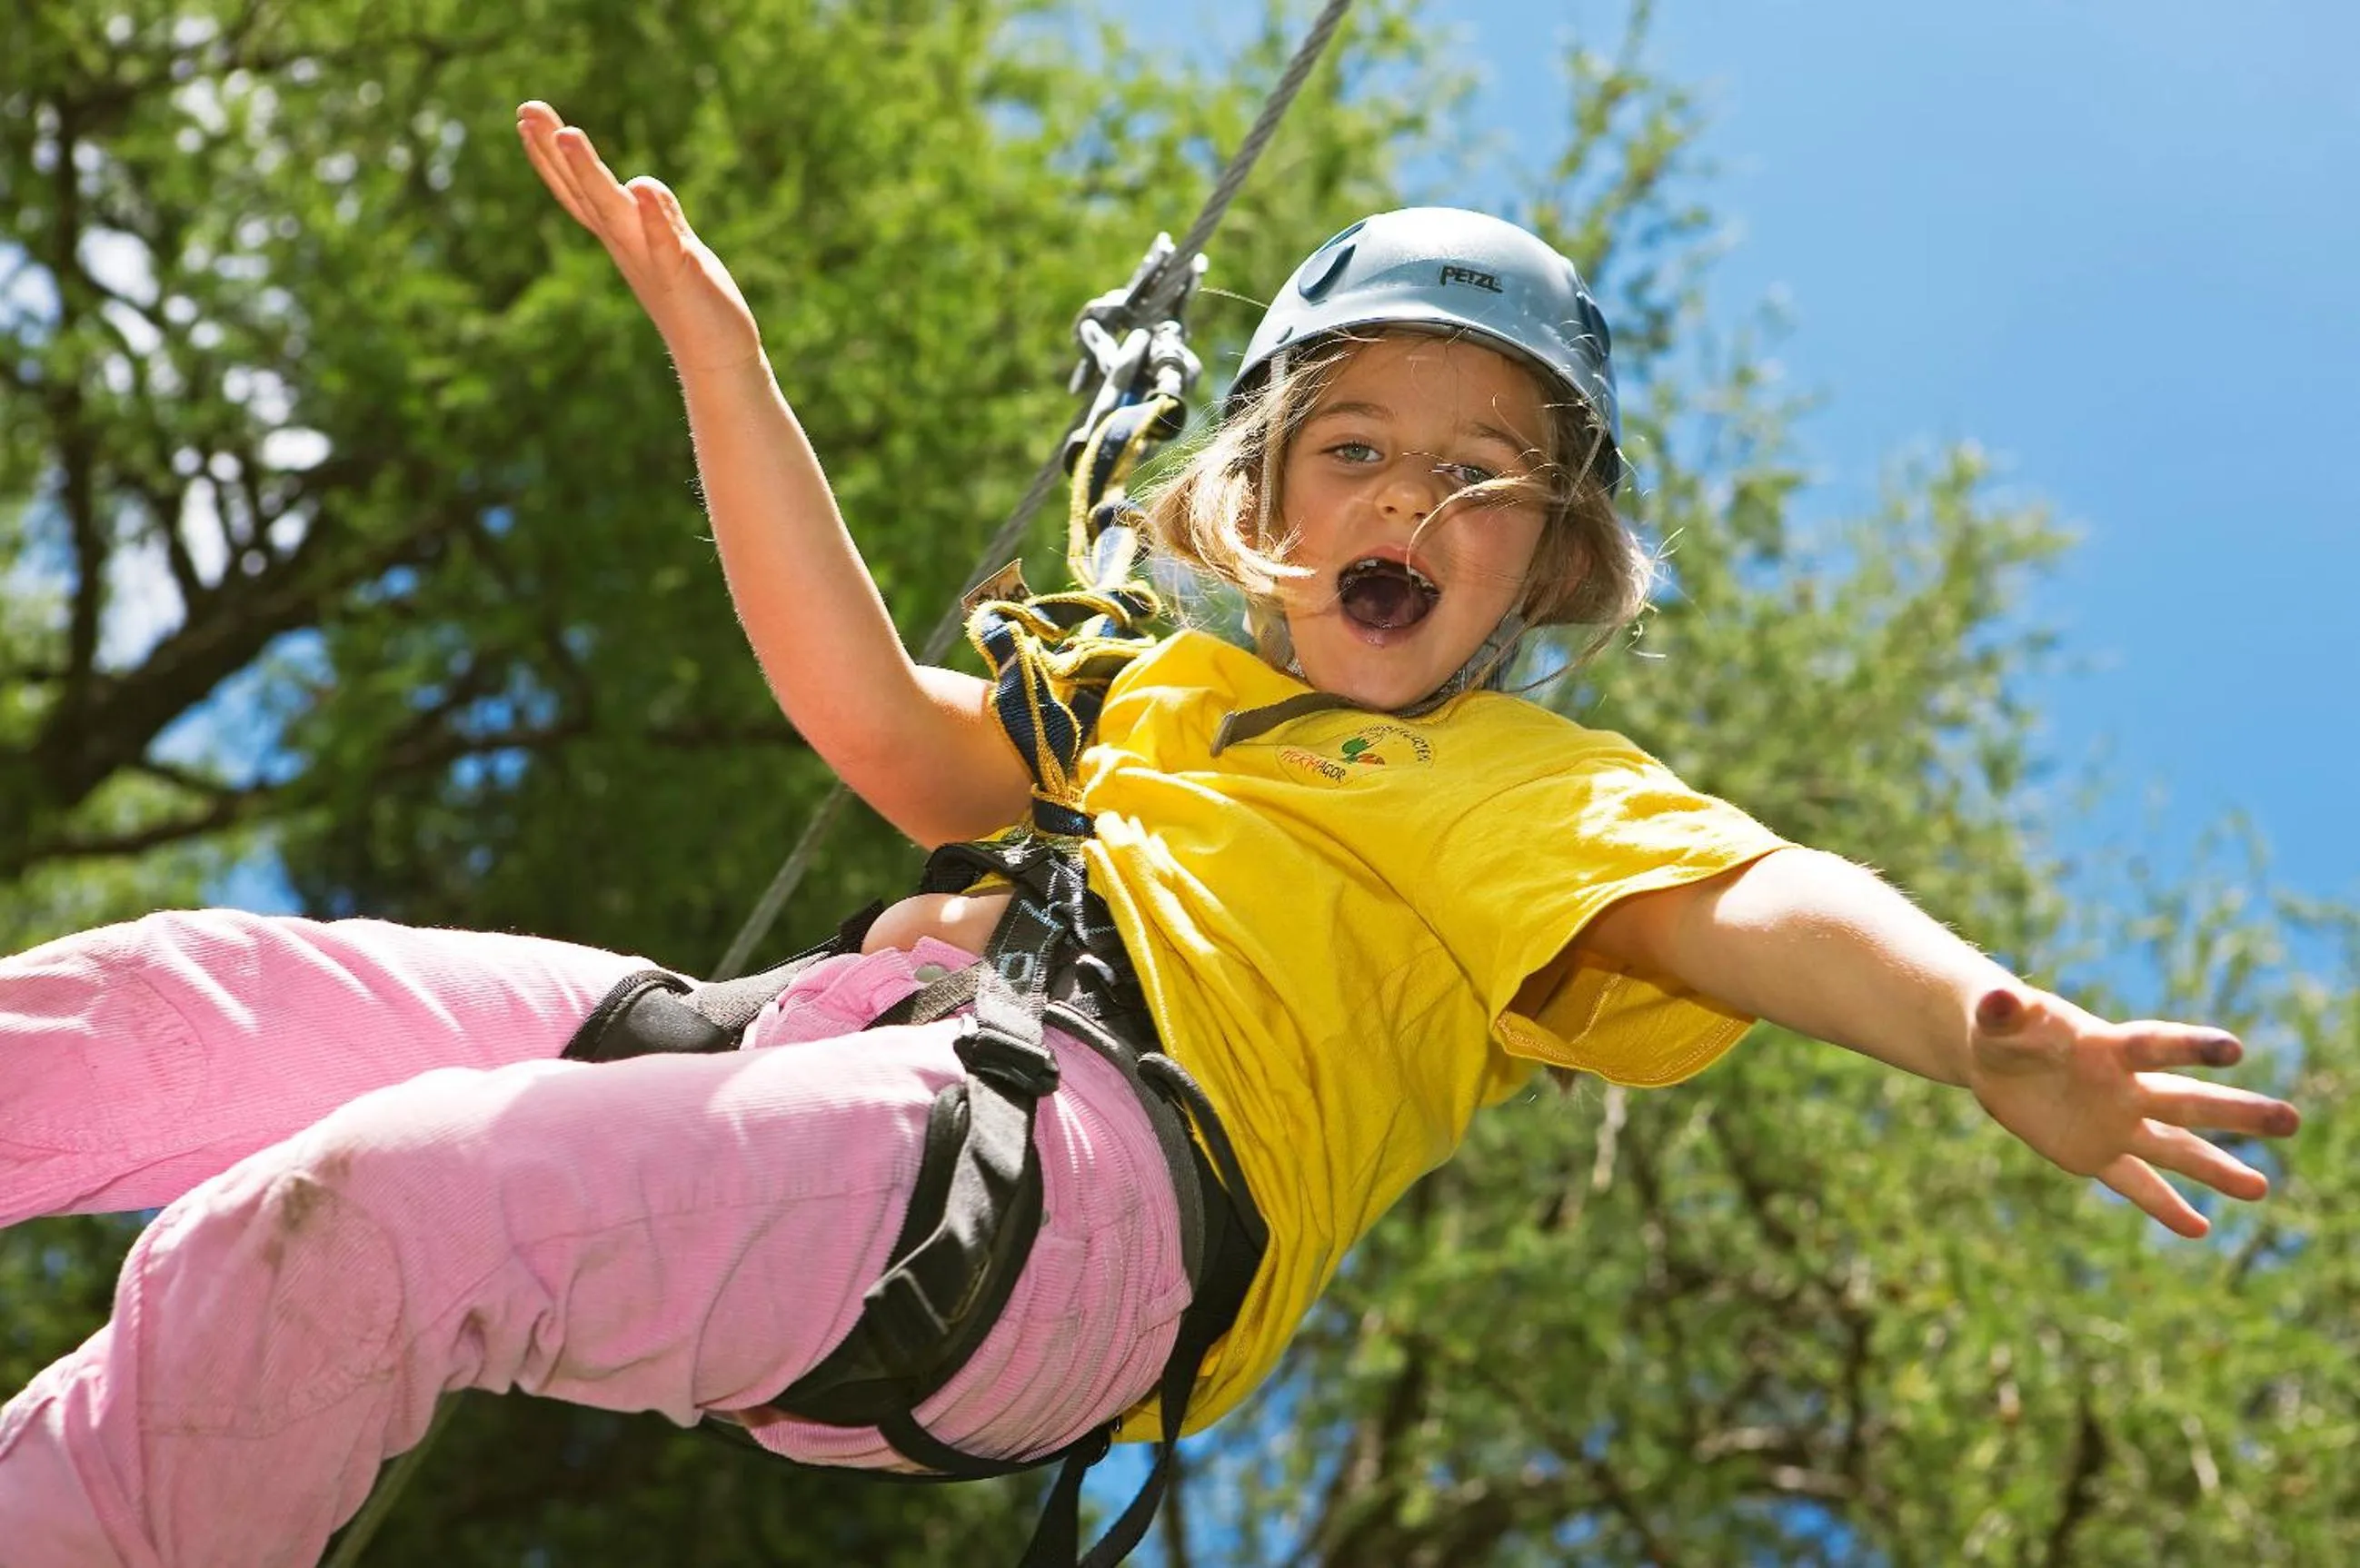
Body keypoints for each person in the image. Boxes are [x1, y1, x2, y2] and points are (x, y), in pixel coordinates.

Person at [0, 102, 2299, 1568]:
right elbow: (881, 734)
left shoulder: (1505, 789)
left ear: (1539, 568)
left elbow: (1756, 897)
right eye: (1361, 448)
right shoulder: (1159, 684)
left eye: (1483, 477)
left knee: (368, 1206)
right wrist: (731, 378)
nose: (1412, 498)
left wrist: (1974, 1022)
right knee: (188, 1003)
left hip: (1067, 1209)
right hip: (837, 1042)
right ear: (1269, 496)